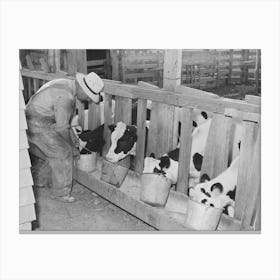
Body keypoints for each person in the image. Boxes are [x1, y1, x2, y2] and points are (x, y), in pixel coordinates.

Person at [25, 72, 104, 202]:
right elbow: (62, 128)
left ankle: (41, 179)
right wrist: (72, 147)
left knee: (54, 149)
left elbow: (63, 124)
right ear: (83, 89)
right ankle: (61, 193)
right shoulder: (66, 98)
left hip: (34, 119)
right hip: (36, 123)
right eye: (89, 96)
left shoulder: (66, 84)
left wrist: (73, 138)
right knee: (63, 152)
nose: (89, 100)